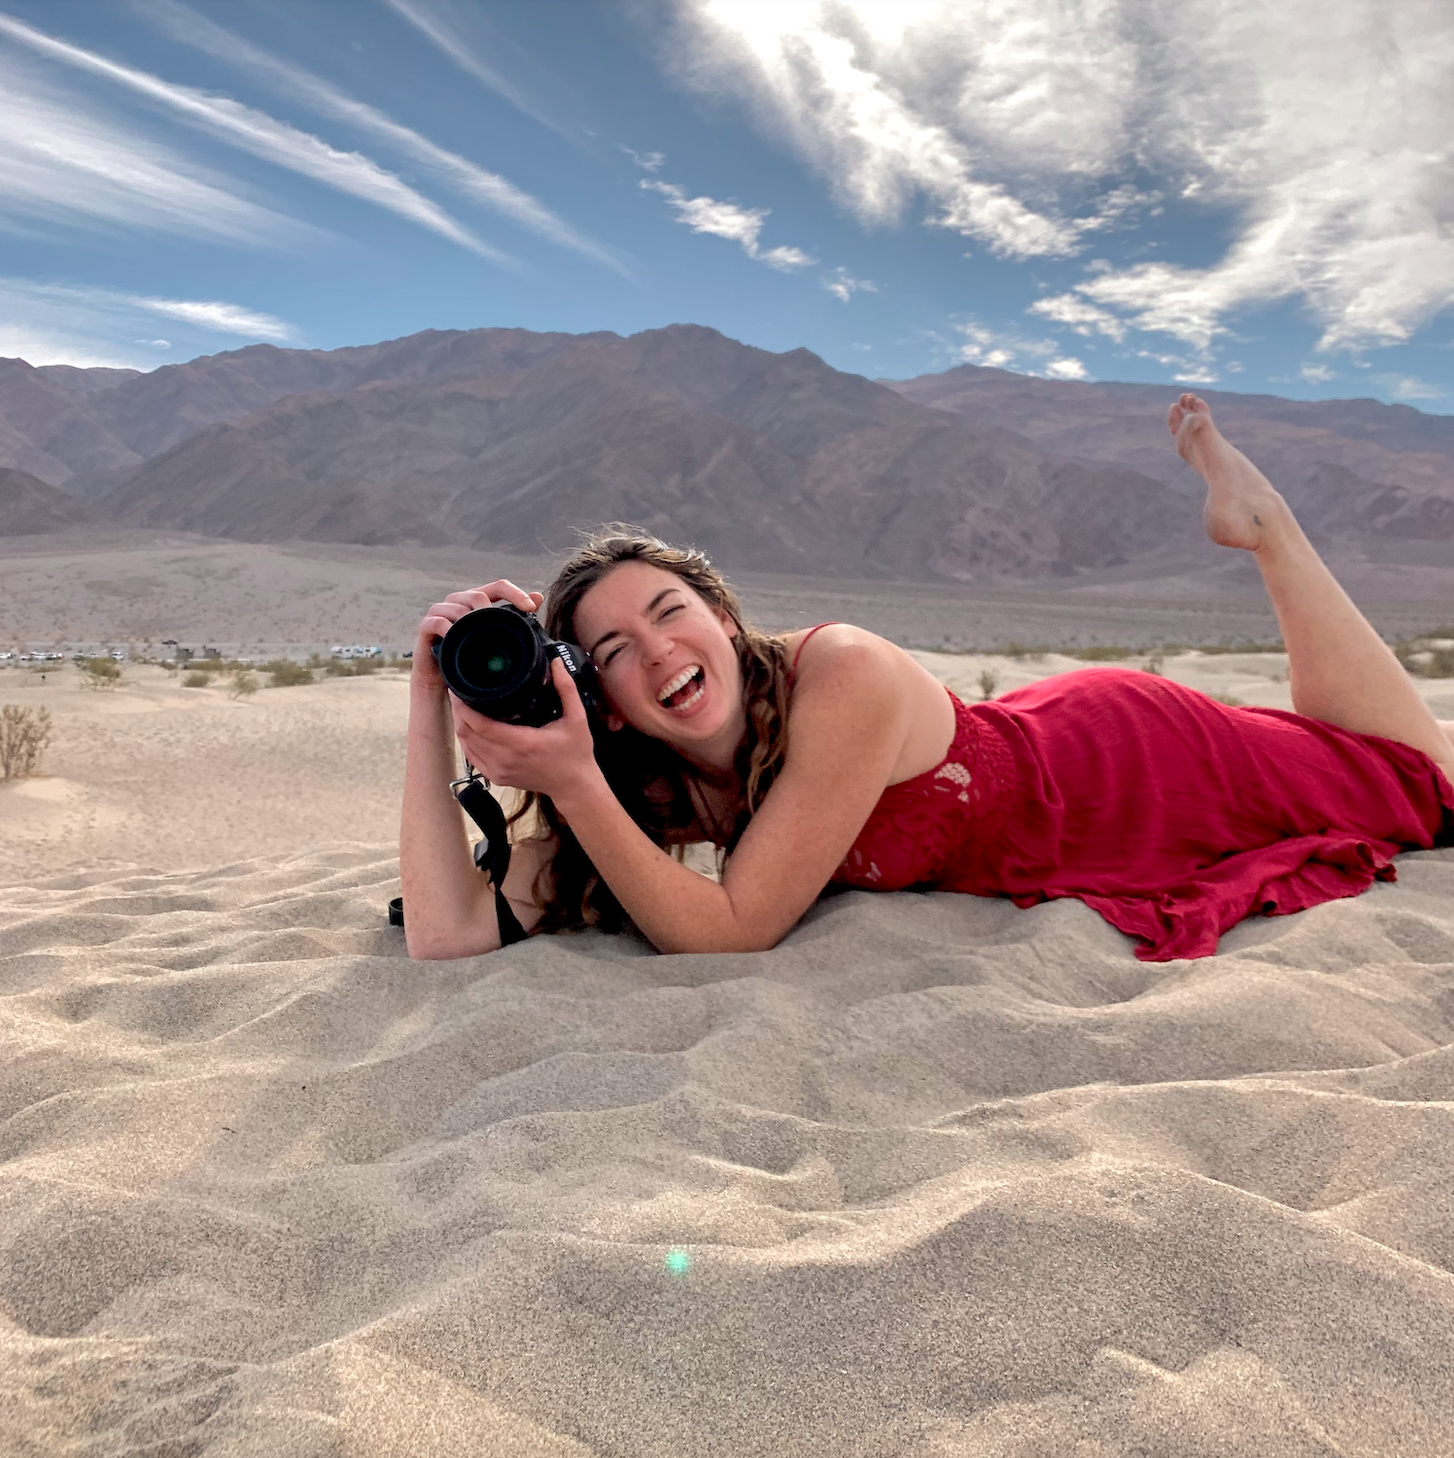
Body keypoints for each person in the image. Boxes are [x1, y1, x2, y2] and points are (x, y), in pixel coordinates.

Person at [400, 394, 1454, 963]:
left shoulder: (841, 671)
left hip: (1121, 760)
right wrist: (424, 698)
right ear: (601, 695)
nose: (659, 648)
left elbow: (733, 931)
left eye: (671, 611)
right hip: (1035, 783)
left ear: (724, 620)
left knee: (1416, 783)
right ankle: (1268, 537)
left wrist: (577, 783)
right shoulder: (651, 782)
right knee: (1372, 761)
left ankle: (1267, 530)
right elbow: (448, 934)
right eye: (617, 650)